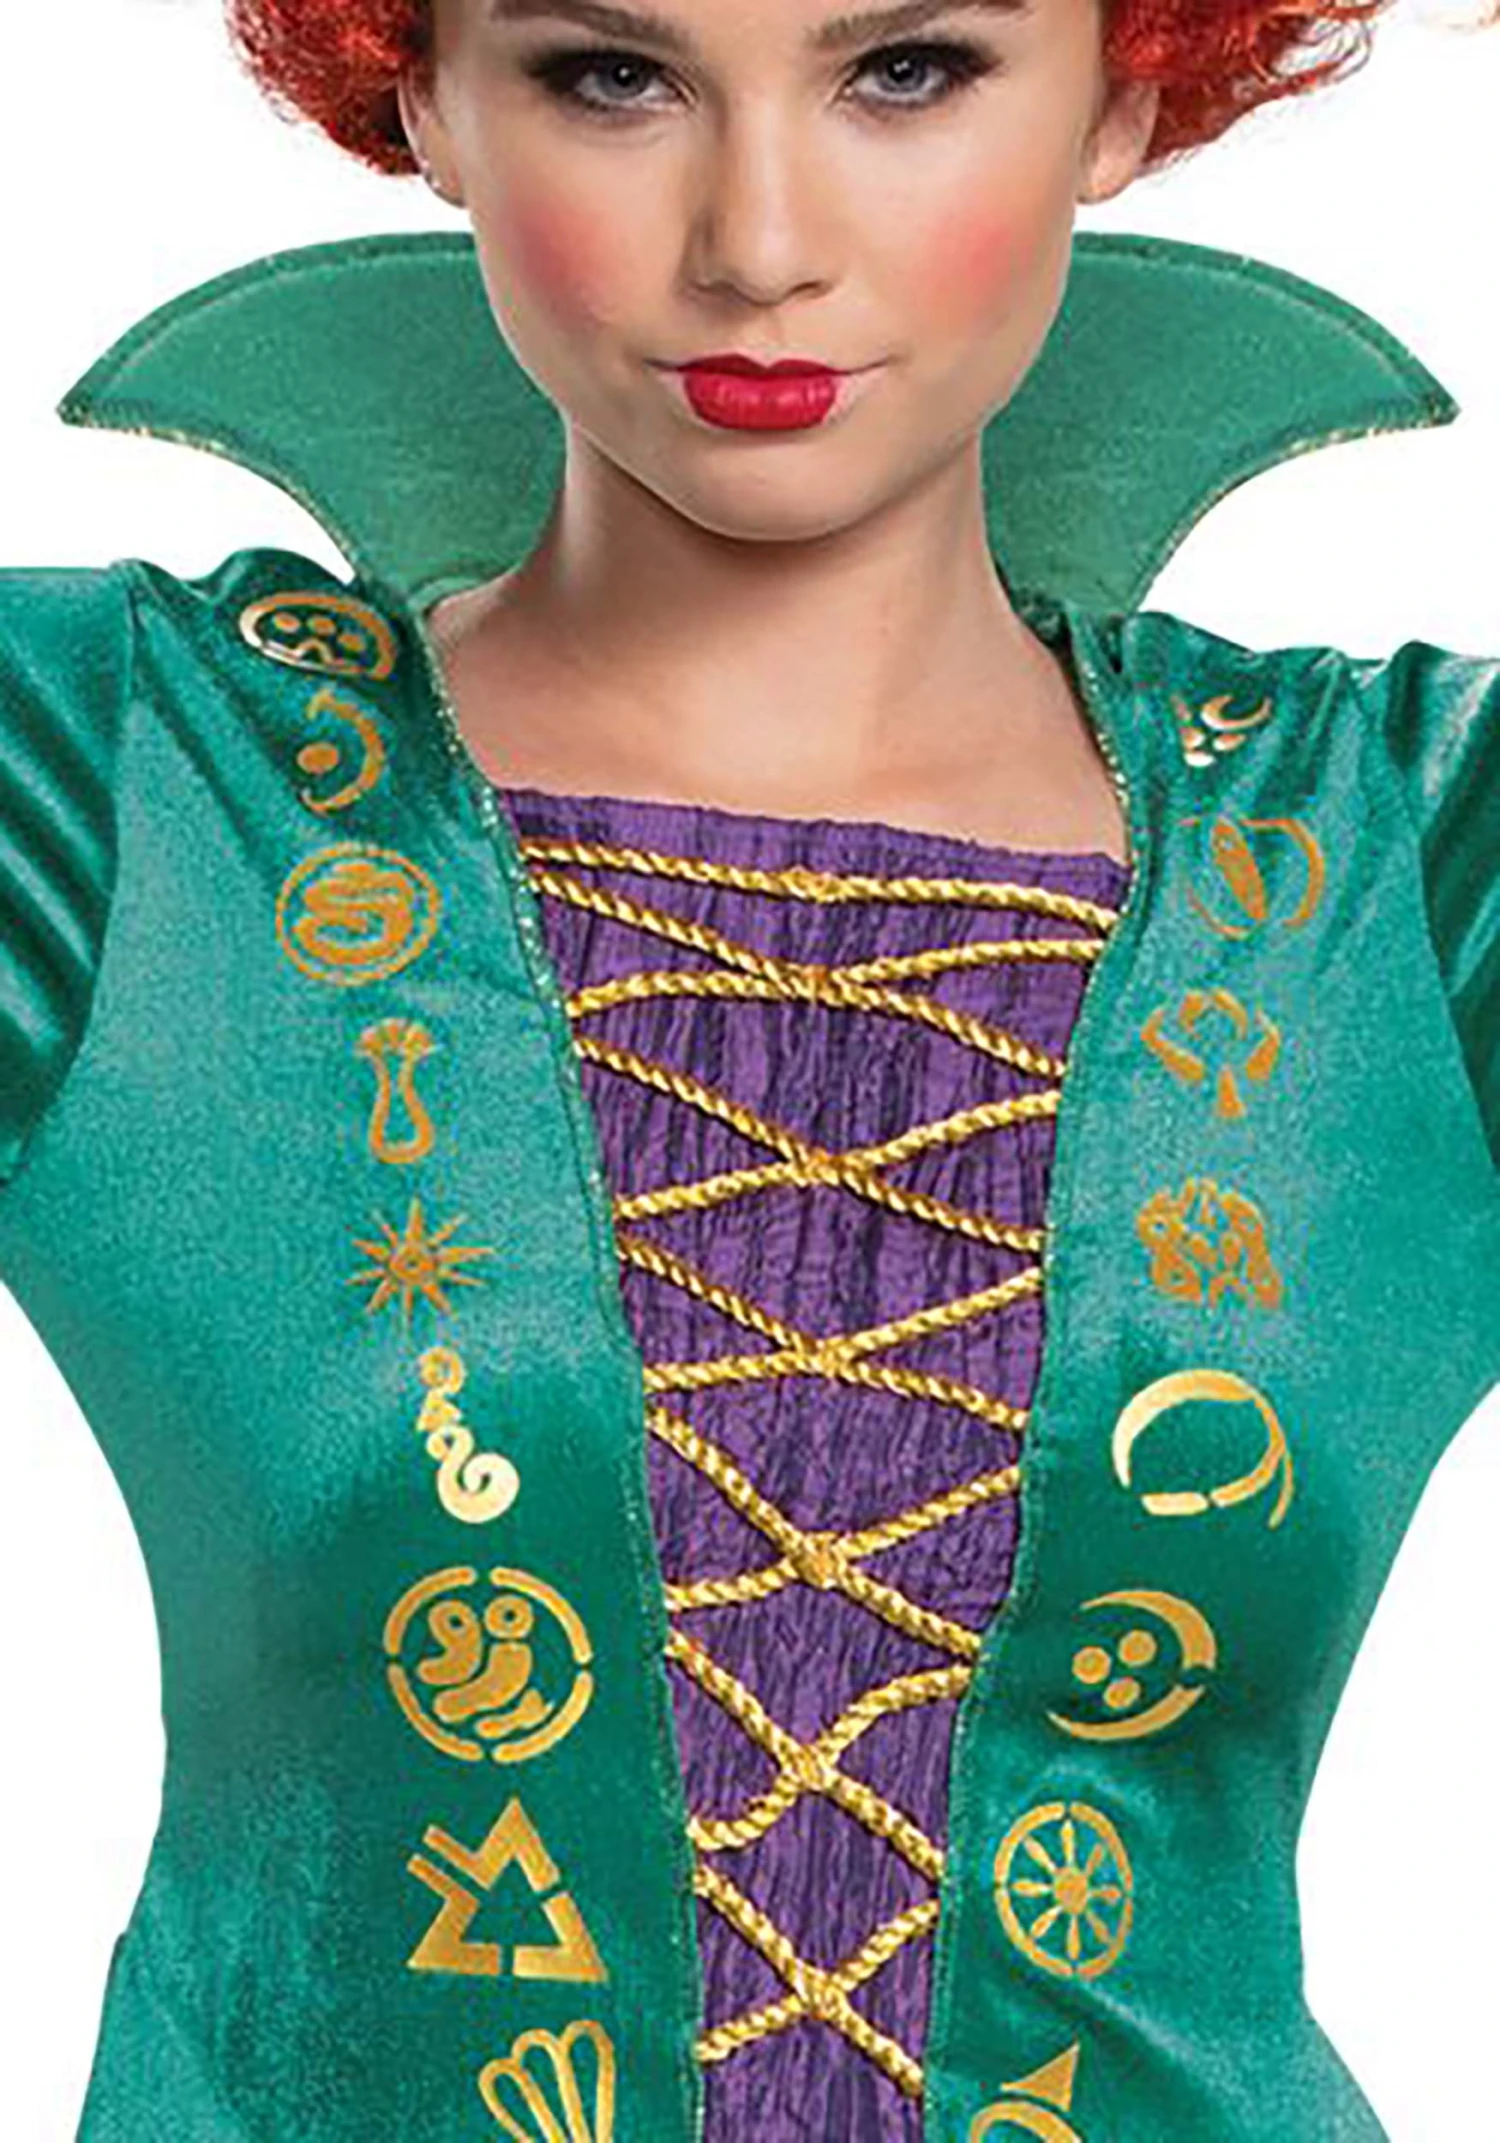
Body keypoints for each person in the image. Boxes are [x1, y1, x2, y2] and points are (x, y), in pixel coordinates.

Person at [1, 0, 1495, 2137]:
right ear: (422, 90)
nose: (759, 243)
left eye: (909, 70)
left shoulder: (1411, 864)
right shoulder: (120, 788)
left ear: (1128, 85)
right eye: (612, 77)